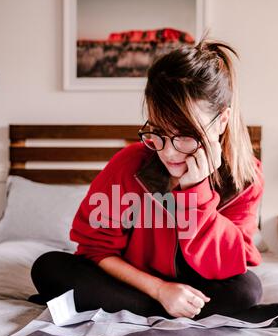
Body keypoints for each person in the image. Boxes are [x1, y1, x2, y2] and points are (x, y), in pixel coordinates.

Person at [29, 33, 264, 320]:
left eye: (186, 136)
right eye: (158, 133)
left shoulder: (244, 180)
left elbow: (229, 265)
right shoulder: (130, 165)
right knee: (48, 267)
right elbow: (95, 250)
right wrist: (160, 290)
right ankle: (160, 310)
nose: (168, 152)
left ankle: (139, 310)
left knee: (246, 289)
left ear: (222, 122)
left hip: (198, 284)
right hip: (134, 281)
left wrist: (196, 192)